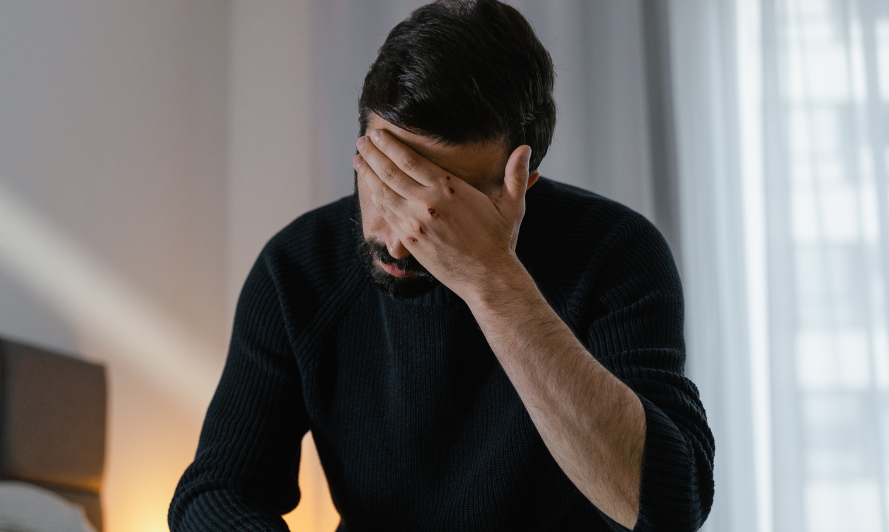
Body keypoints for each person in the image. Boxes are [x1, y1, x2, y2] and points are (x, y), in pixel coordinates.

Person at [168, 1, 714, 530]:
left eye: (448, 203)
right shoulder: (297, 268)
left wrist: (492, 280)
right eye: (389, 183)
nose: (400, 242)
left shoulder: (616, 253)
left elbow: (666, 509)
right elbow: (216, 491)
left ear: (523, 181)